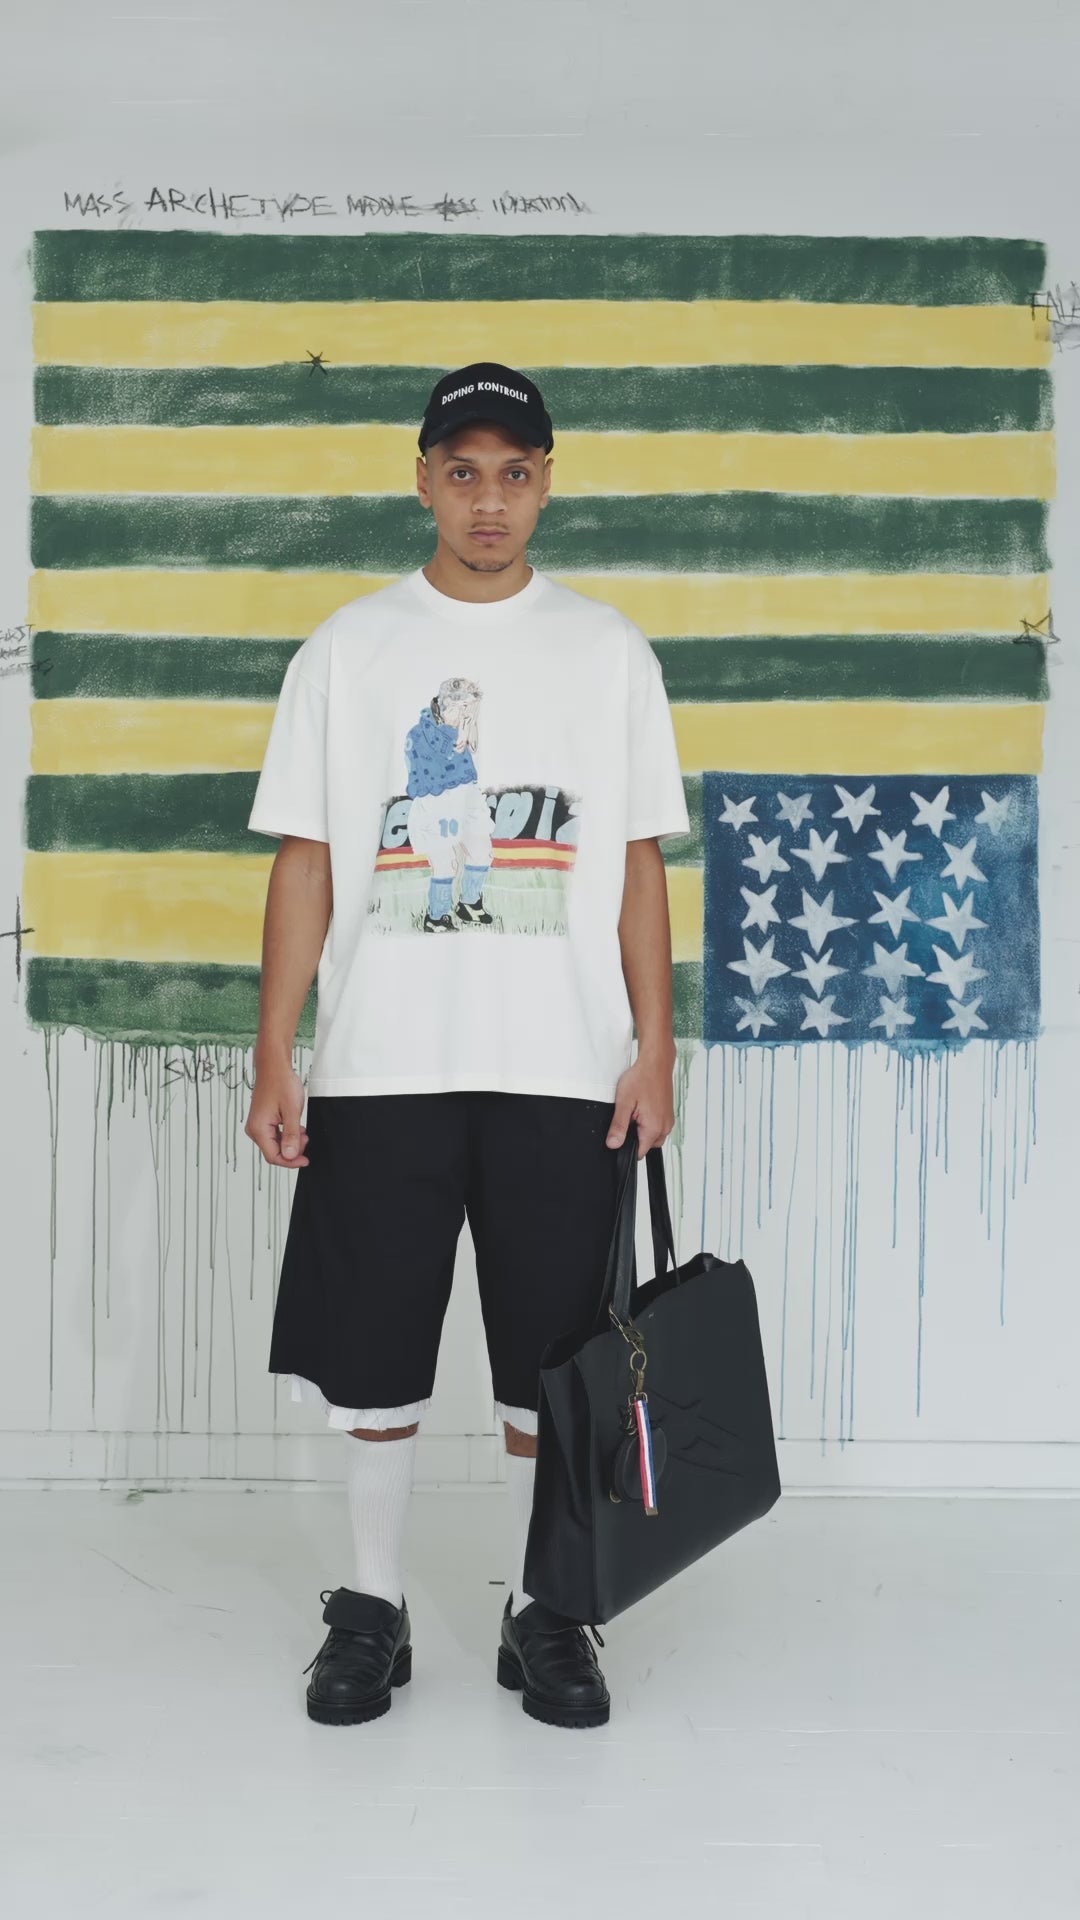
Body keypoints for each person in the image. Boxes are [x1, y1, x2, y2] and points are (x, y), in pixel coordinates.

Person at [244, 360, 691, 1730]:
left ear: (546, 483)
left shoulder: (606, 650)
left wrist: (656, 1046)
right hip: (385, 1059)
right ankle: (371, 1605)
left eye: (513, 473)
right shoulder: (349, 647)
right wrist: (276, 1053)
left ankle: (540, 1609)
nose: (487, 500)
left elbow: (637, 862)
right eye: (462, 472)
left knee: (547, 1366)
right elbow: (309, 862)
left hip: (562, 1063)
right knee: (373, 1351)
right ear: (423, 482)